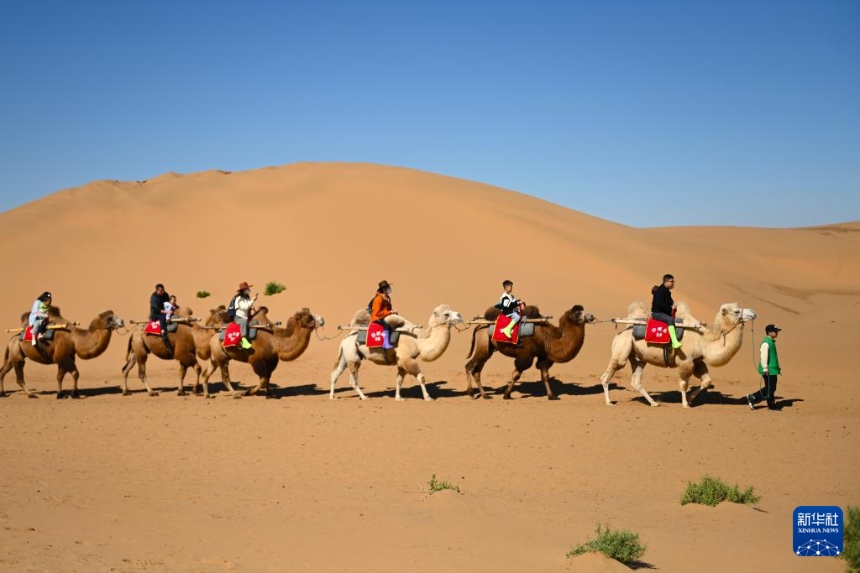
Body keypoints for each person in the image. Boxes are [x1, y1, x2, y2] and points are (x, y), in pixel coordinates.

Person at [746, 324, 783, 411]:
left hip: (773, 370)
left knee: (770, 388)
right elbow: (763, 357)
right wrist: (765, 369)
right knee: (771, 388)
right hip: (768, 370)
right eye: (775, 331)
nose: (777, 332)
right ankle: (752, 397)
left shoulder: (771, 341)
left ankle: (771, 405)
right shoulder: (766, 343)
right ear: (770, 332)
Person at [651, 273, 682, 349]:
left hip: (663, 312)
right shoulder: (660, 291)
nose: (673, 283)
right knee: (670, 320)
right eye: (672, 281)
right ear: (666, 282)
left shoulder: (666, 291)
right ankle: (674, 342)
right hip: (657, 313)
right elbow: (660, 304)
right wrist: (670, 308)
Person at [370, 280, 397, 349]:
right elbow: (377, 313)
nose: (390, 289)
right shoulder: (378, 299)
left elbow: (388, 310)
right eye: (388, 288)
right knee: (386, 325)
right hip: (377, 318)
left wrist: (392, 312)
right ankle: (385, 343)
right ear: (384, 290)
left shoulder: (387, 298)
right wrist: (389, 312)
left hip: (384, 316)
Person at [232, 282, 257, 350]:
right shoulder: (239, 299)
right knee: (243, 322)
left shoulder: (246, 298)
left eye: (248, 288)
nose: (249, 290)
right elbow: (245, 307)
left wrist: (251, 307)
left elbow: (247, 307)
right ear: (243, 290)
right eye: (247, 289)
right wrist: (252, 300)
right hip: (239, 318)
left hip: (246, 317)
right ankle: (244, 340)